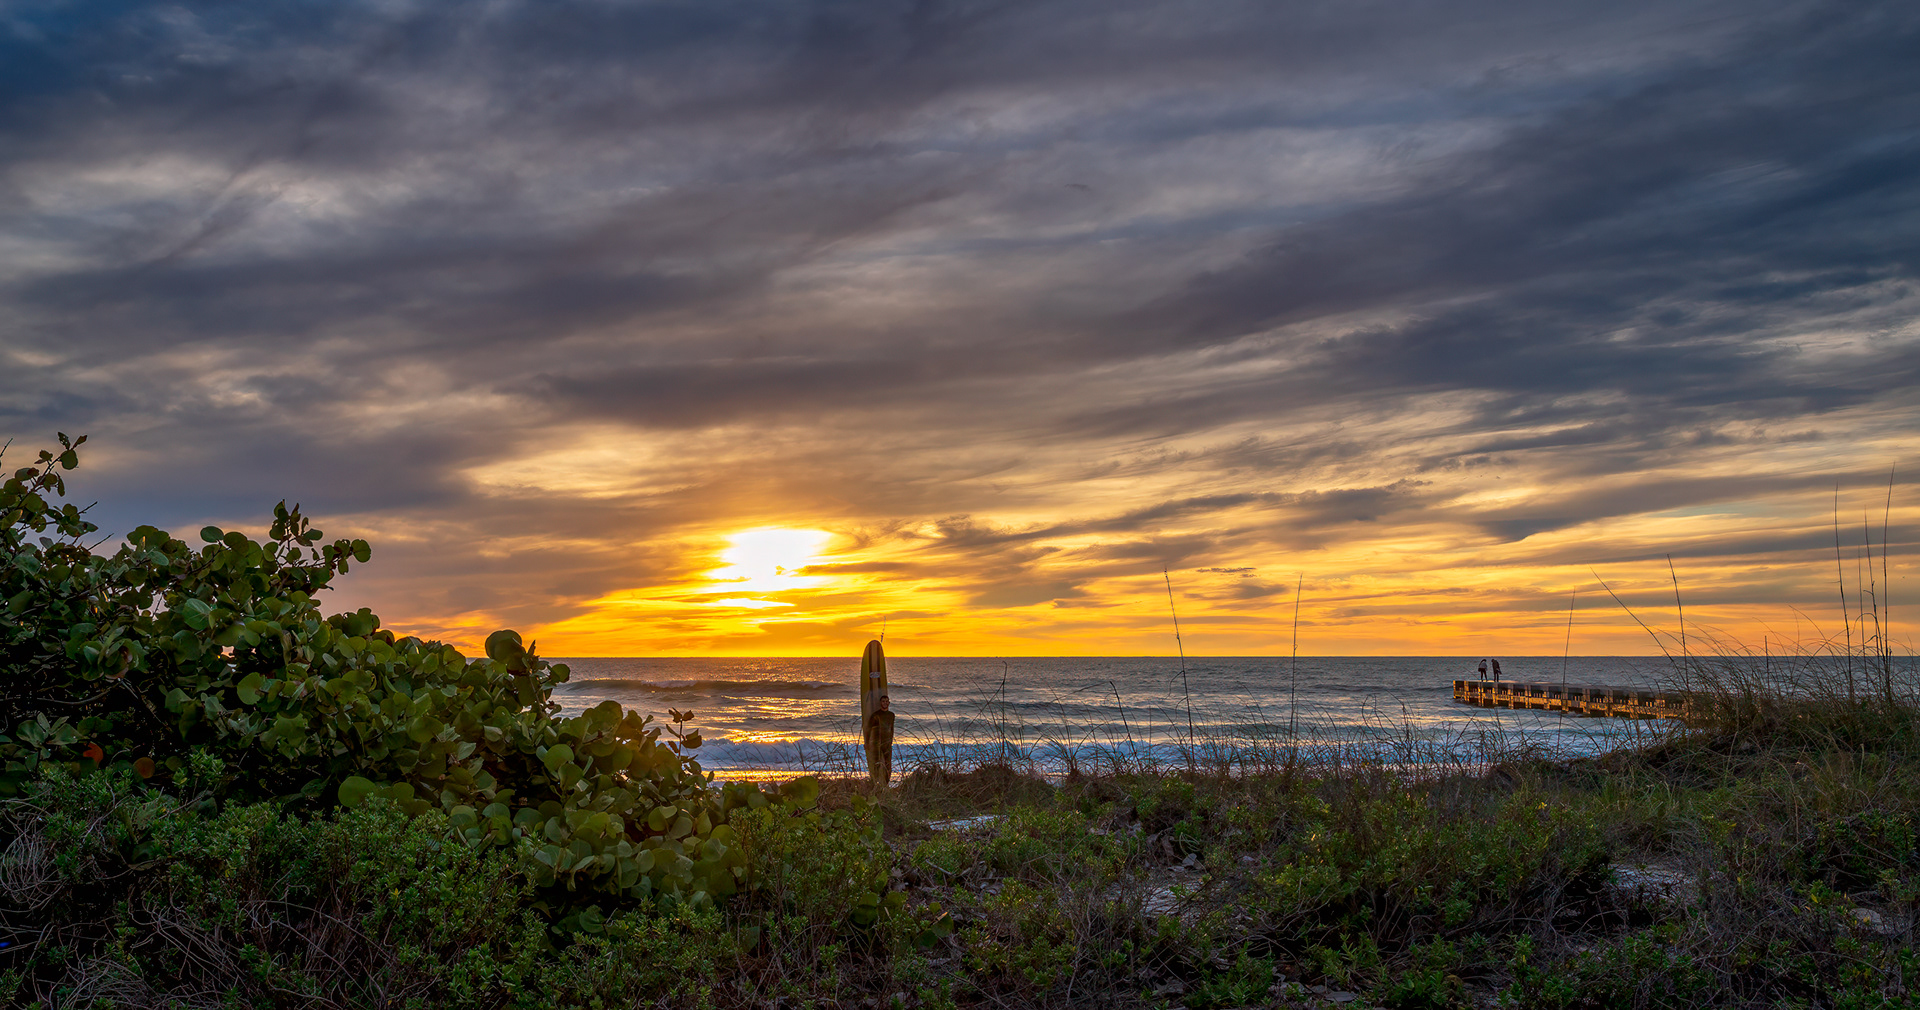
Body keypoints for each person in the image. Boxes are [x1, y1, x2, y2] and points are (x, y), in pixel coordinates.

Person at [865, 694, 895, 786]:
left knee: (888, 764)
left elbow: (892, 728)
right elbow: (869, 729)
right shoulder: (876, 715)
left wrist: (891, 740)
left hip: (887, 743)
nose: (885, 703)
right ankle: (876, 782)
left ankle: (886, 783)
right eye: (883, 701)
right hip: (877, 743)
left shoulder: (891, 715)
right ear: (880, 703)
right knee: (877, 763)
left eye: (886, 701)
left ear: (889, 703)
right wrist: (867, 742)